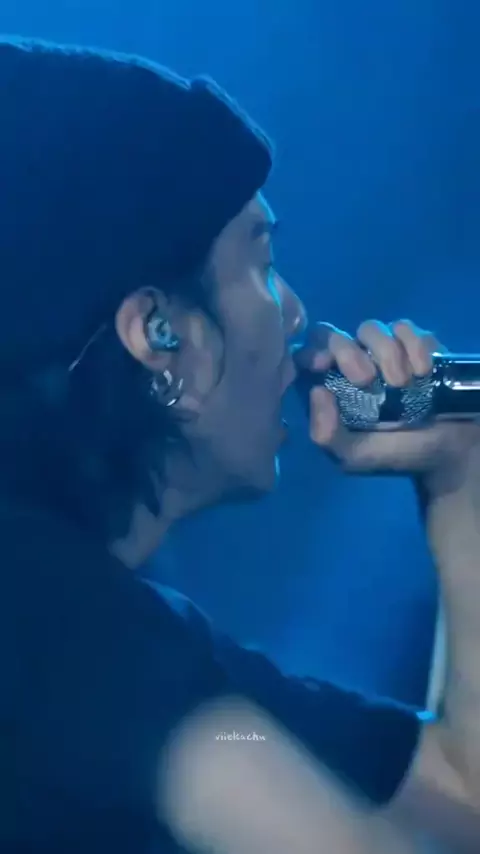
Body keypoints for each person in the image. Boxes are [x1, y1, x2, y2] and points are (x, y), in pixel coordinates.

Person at [2, 36, 480, 853]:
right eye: (262, 265)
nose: (294, 313)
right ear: (159, 335)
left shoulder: (154, 647)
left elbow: (460, 801)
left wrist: (459, 475)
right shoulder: (40, 603)